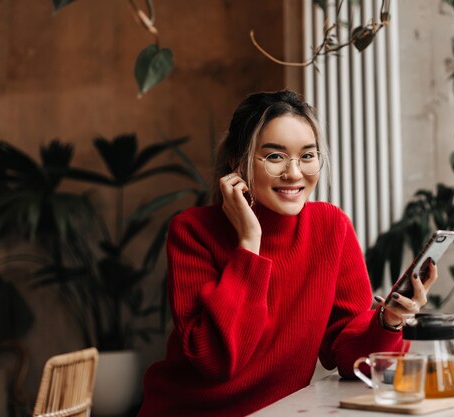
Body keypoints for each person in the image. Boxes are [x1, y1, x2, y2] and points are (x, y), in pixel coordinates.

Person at [137, 90, 437, 417]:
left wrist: (388, 322)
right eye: (275, 156)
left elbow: (349, 358)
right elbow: (214, 361)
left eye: (307, 156)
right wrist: (249, 243)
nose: (294, 173)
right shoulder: (192, 231)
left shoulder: (331, 227)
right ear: (237, 163)